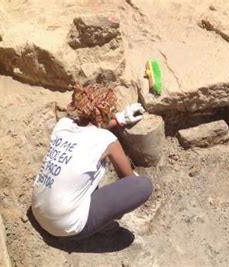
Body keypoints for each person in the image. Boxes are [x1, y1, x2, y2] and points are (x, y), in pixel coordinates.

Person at [31, 83, 152, 239]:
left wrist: (119, 119)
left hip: (38, 210)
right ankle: (104, 226)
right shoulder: (106, 140)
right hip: (65, 228)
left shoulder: (63, 125)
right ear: (105, 112)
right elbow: (128, 178)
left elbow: (89, 127)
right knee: (143, 185)